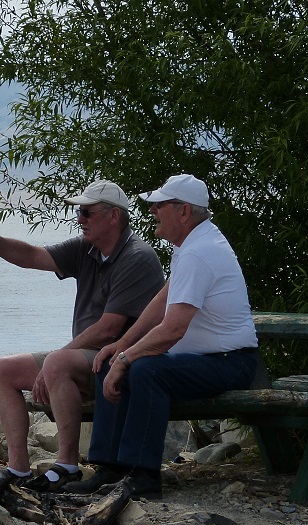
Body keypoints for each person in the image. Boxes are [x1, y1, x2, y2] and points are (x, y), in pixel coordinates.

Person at [0, 180, 165, 500]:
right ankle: (18, 468)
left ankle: (67, 465)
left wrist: (53, 362)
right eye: (78, 212)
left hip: (121, 364)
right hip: (85, 361)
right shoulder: (87, 248)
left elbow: (109, 329)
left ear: (114, 216)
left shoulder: (137, 257)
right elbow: (33, 256)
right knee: (2, 370)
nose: (79, 218)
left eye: (87, 212)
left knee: (57, 362)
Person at [64, 173, 259, 500]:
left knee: (145, 370)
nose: (152, 210)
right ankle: (110, 469)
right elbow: (161, 301)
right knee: (109, 361)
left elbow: (173, 329)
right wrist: (121, 346)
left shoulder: (199, 252)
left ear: (183, 211)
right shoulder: (191, 245)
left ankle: (144, 477)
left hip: (229, 363)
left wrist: (126, 358)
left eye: (160, 205)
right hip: (203, 359)